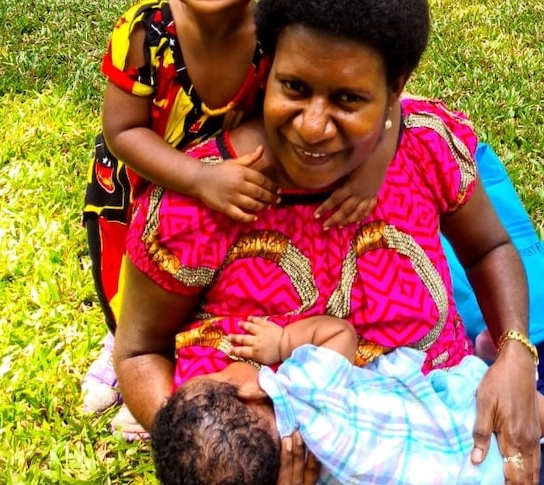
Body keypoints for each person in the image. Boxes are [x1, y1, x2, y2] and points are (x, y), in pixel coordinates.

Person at [113, 0, 544, 483]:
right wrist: (223, 459)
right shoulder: (200, 199)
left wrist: (514, 353)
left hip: (454, 424)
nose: (312, 127)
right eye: (293, 86)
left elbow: (490, 250)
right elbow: (138, 353)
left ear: (394, 89)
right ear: (265, 70)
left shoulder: (423, 147)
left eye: (348, 99)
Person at [79, 0, 396, 424]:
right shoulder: (144, 33)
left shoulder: (278, 25)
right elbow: (122, 131)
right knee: (128, 280)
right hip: (143, 180)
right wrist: (198, 178)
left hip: (235, 185)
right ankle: (123, 348)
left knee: (201, 276)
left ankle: (183, 347)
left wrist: (373, 168)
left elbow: (384, 89)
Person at [152, 316, 544, 485]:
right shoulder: (301, 381)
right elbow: (340, 335)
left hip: (469, 477)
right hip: (462, 421)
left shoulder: (297, 475)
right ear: (249, 391)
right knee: (481, 385)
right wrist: (285, 341)